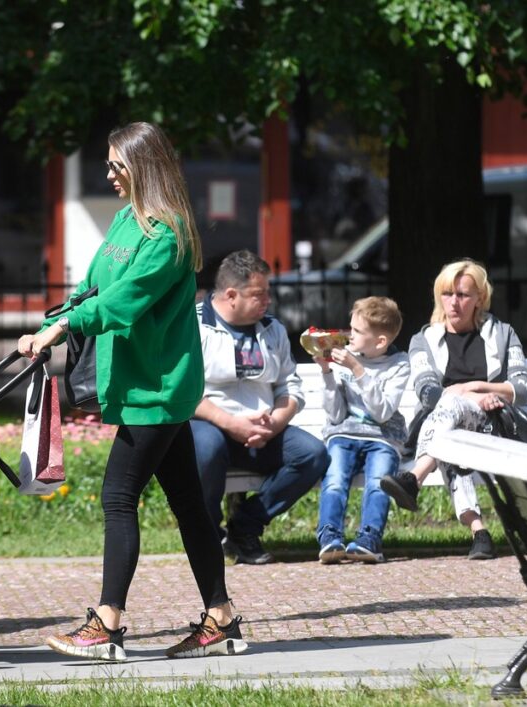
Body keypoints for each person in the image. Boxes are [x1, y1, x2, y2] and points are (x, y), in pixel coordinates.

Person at [18, 122, 245, 662]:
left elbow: (124, 303)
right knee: (189, 504)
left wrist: (64, 327)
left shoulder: (168, 235)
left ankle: (107, 625)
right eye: (109, 164)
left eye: (117, 165)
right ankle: (221, 619)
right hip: (143, 383)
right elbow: (94, 289)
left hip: (157, 389)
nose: (109, 175)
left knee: (118, 497)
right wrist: (52, 321)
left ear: (143, 167)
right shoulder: (127, 220)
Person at [381, 259, 527, 561]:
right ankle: (480, 533)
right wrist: (472, 397)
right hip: (448, 428)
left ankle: (414, 478)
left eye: (463, 295)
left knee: (449, 413)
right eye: (448, 294)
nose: (454, 302)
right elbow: (427, 392)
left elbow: (521, 388)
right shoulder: (423, 340)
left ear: (479, 299)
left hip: (492, 427)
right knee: (450, 435)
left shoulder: (503, 334)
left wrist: (475, 388)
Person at [191, 250, 329, 565]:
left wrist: (276, 422)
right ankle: (207, 536)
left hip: (263, 431)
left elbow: (289, 386)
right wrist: (231, 423)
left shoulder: (272, 329)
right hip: (209, 426)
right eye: (258, 294)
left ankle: (244, 527)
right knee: (206, 449)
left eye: (267, 292)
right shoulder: (192, 326)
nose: (268, 300)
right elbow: (182, 392)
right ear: (231, 295)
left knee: (312, 455)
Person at [314, 297, 410, 565]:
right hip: (344, 433)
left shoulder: (399, 364)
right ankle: (329, 536)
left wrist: (357, 370)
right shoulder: (345, 356)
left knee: (379, 482)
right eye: (351, 328)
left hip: (382, 437)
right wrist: (326, 372)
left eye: (357, 331)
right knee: (334, 478)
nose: (350, 335)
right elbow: (335, 415)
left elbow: (382, 412)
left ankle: (369, 539)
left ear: (380, 341)